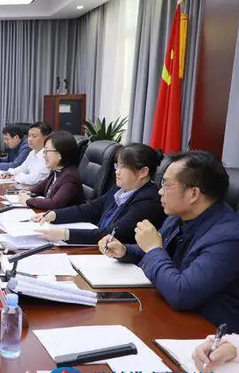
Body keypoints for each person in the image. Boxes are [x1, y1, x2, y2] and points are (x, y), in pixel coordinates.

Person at [99, 151, 239, 332]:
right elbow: (159, 253)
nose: (159, 191)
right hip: (167, 313)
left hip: (205, 332)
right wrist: (125, 250)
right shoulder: (178, 217)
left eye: (166, 185)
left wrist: (152, 249)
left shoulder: (228, 238)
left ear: (193, 193)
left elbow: (182, 293)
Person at [35, 143, 165, 244]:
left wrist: (65, 234)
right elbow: (93, 208)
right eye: (117, 166)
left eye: (123, 167)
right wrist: (55, 214)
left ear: (143, 172)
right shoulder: (120, 188)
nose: (117, 171)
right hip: (99, 247)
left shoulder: (148, 201)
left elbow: (113, 233)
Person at [20, 131, 83, 209]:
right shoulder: (57, 170)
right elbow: (40, 187)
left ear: (60, 154)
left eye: (47, 151)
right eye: (44, 152)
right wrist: (27, 192)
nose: (44, 156)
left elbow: (54, 204)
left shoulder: (70, 177)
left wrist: (28, 200)